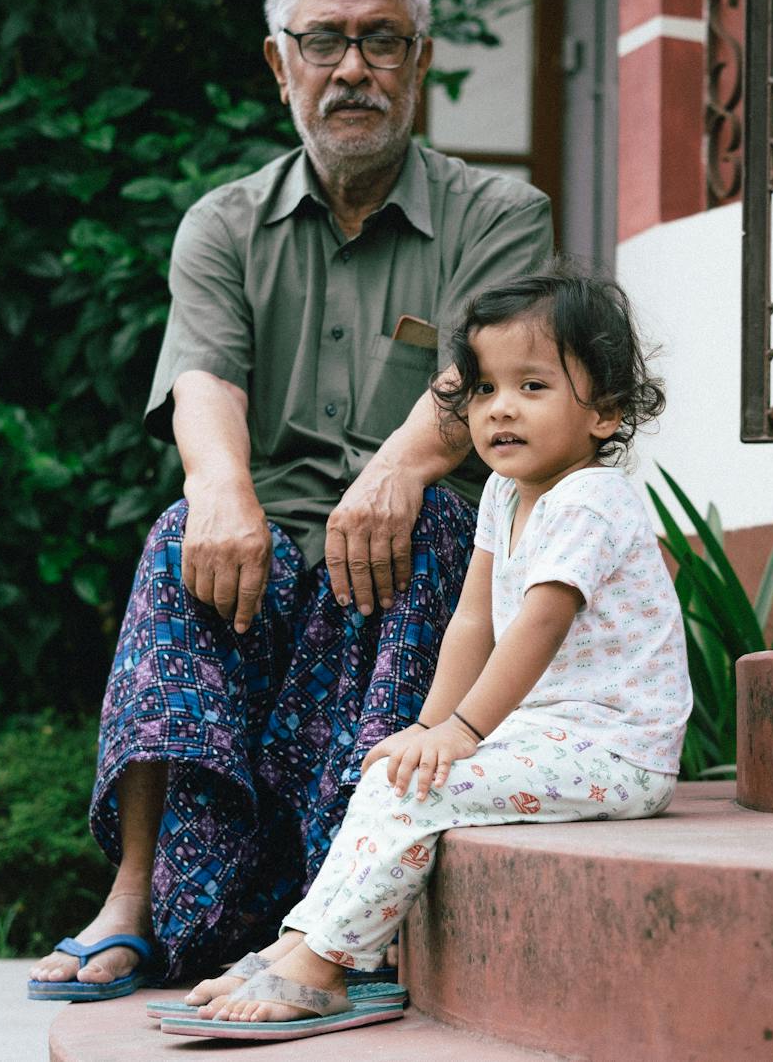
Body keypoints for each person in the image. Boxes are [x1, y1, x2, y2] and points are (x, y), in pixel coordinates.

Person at [27, 0, 554, 999]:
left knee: (434, 533)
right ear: (281, 64)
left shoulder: (502, 212)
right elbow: (204, 380)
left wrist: (402, 462)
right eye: (324, 41)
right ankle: (131, 895)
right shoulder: (222, 223)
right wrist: (221, 491)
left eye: (380, 41)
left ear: (419, 62)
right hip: (266, 539)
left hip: (420, 526)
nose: (351, 67)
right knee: (182, 533)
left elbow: (486, 371)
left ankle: (351, 909)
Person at [152, 272, 689, 1039]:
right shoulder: (505, 494)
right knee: (394, 764)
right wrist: (431, 726)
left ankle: (329, 970)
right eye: (483, 389)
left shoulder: (589, 502)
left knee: (421, 788)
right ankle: (304, 942)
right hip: (545, 734)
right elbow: (474, 620)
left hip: (616, 749)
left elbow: (536, 627)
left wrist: (461, 734)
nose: (499, 407)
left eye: (532, 385)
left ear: (604, 412)